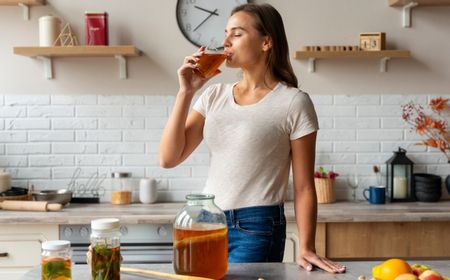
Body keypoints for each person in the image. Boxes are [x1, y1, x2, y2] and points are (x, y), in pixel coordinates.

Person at [159, 3, 345, 273]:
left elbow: (304, 186)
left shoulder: (293, 102)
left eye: (236, 34)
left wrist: (307, 246)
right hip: (208, 221)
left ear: (266, 42)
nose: (224, 42)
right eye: (226, 33)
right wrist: (185, 92)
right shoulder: (213, 96)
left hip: (257, 226)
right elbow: (168, 158)